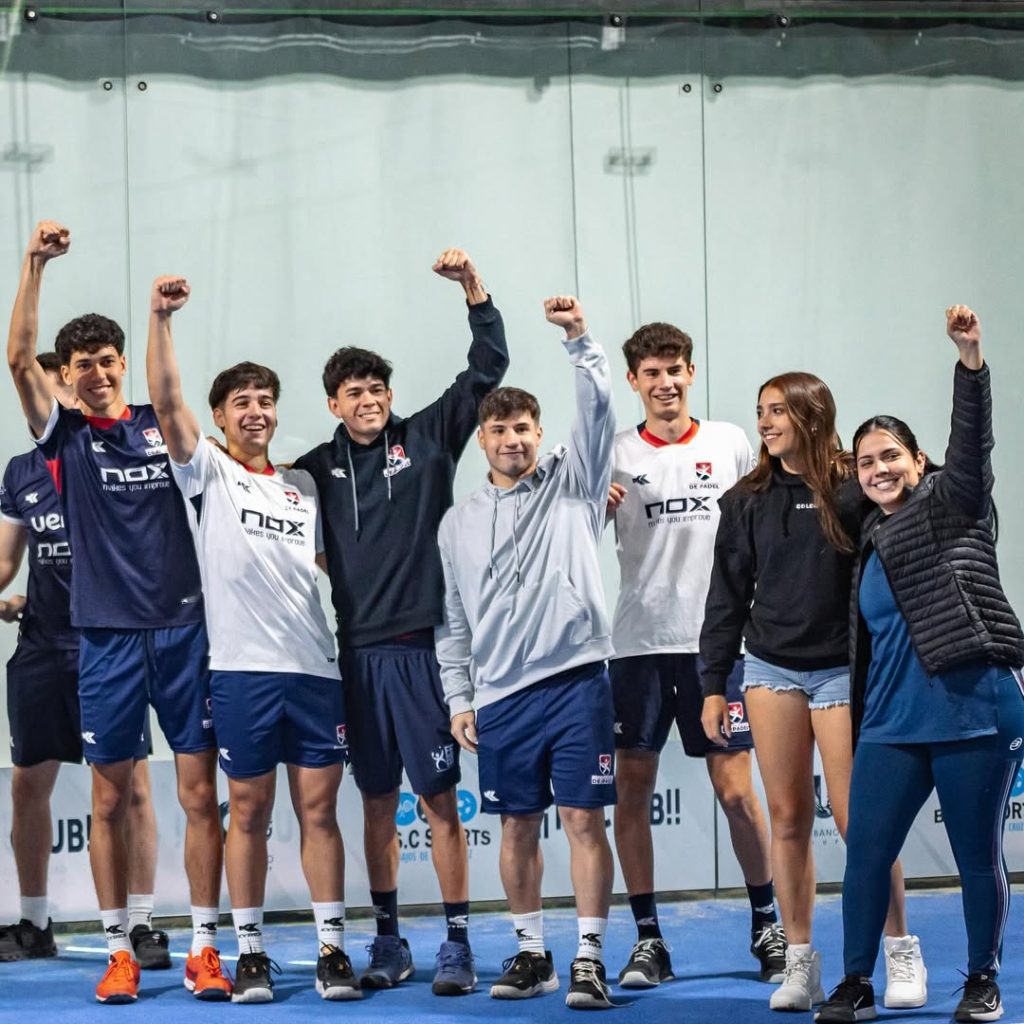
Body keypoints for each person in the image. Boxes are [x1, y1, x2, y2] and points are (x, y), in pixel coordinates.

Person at [5, 223, 227, 1004]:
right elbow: (14, 357)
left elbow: (172, 397)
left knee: (199, 795)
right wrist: (33, 264)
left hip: (181, 631)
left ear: (121, 365)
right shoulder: (62, 437)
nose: (96, 374)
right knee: (106, 796)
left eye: (107, 361)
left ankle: (203, 946)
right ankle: (118, 948)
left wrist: (162, 318)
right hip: (103, 638)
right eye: (82, 366)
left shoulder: (158, 428)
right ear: (65, 377)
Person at [295, 249, 508, 996]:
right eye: (355, 392)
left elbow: (487, 367)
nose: (370, 399)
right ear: (333, 403)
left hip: (425, 651)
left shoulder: (424, 438)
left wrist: (473, 292)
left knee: (441, 802)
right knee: (377, 803)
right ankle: (389, 941)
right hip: (355, 658)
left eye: (378, 388)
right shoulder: (312, 470)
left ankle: (456, 942)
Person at [147, 276, 355, 1003]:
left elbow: (341, 567)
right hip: (241, 672)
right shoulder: (206, 472)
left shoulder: (303, 485)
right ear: (219, 417)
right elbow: (168, 403)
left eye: (265, 401)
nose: (257, 412)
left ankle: (332, 948)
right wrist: (161, 319)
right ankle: (251, 952)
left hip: (314, 670)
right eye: (241, 402)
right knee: (252, 813)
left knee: (321, 813)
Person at [816, 305, 1024, 1024]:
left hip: (974, 710)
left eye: (890, 456)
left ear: (919, 460)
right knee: (866, 855)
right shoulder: (868, 538)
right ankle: (853, 984)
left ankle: (981, 981)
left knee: (975, 857)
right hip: (891, 724)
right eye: (865, 461)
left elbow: (973, 445)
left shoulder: (954, 503)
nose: (877, 469)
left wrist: (970, 361)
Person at [699, 371, 922, 1012]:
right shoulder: (746, 499)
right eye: (760, 411)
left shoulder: (855, 487)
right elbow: (726, 596)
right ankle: (801, 966)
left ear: (811, 414)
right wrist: (715, 684)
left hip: (843, 673)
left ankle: (900, 952)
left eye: (777, 412)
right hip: (769, 671)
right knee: (790, 820)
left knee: (863, 824)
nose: (765, 423)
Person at [437, 295, 617, 1011]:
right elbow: (452, 623)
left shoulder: (576, 481)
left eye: (523, 427)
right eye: (499, 428)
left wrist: (580, 342)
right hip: (501, 696)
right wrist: (459, 697)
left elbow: (599, 413)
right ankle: (533, 953)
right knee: (516, 826)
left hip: (576, 681)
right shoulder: (457, 523)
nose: (512, 438)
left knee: (582, 821)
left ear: (540, 433)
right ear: (481, 440)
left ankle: (590, 959)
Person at [606, 322, 783, 988]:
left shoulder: (730, 442)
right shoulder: (615, 450)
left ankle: (765, 921)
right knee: (631, 792)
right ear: (634, 382)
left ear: (691, 372)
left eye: (675, 369)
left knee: (737, 793)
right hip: (638, 646)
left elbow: (762, 531)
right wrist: (596, 503)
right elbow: (571, 528)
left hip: (719, 648)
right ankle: (649, 939)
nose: (665, 382)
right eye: (651, 373)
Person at [0, 353, 164, 969]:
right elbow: (6, 562)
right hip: (44, 647)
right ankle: (35, 922)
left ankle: (143, 924)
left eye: (52, 388)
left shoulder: (118, 448)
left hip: (114, 641)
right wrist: (8, 598)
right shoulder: (21, 472)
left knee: (134, 789)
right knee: (27, 786)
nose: (47, 399)